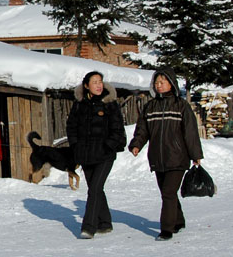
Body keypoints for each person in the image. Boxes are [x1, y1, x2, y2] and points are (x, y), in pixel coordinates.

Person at [128, 67, 203, 241]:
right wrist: (136, 144)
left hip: (177, 156)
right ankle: (178, 220)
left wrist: (195, 155)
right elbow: (142, 129)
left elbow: (190, 132)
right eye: (157, 82)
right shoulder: (151, 106)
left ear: (172, 84)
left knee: (168, 192)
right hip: (157, 157)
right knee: (167, 192)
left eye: (163, 82)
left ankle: (167, 229)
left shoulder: (180, 105)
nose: (159, 85)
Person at [66, 71, 127, 239]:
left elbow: (117, 129)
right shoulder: (79, 104)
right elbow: (71, 127)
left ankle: (89, 227)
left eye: (100, 81)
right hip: (86, 154)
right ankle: (105, 223)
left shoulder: (110, 104)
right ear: (86, 85)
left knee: (94, 189)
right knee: (96, 188)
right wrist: (76, 145)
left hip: (105, 155)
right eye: (94, 82)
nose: (99, 85)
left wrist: (109, 146)